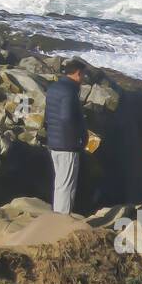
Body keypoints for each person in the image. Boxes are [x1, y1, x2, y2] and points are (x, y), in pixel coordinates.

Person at [44, 58, 89, 214]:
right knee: (67, 184)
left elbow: (47, 116)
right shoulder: (70, 91)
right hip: (67, 145)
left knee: (60, 183)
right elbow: (66, 117)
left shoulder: (54, 88)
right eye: (83, 74)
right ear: (77, 73)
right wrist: (77, 140)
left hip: (54, 142)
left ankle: (57, 214)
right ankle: (62, 220)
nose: (83, 78)